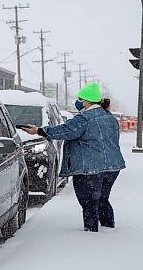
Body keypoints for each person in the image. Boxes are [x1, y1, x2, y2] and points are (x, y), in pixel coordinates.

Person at [20, 82, 125, 232]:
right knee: (102, 200)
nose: (78, 102)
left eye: (80, 99)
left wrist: (39, 131)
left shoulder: (84, 119)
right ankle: (109, 230)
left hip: (89, 169)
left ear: (88, 101)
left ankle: (91, 235)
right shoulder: (110, 118)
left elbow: (66, 131)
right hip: (113, 168)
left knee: (89, 203)